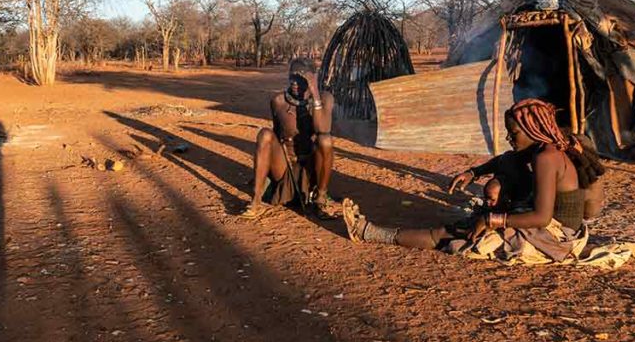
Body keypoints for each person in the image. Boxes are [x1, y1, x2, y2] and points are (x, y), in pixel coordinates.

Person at [343, 98, 606, 263]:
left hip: (556, 236)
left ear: (532, 129)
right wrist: (474, 173)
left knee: (455, 235)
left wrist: (493, 220)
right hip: (556, 224)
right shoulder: (547, 147)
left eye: (513, 132)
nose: (509, 138)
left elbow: (541, 219)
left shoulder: (546, 157)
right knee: (506, 170)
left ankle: (371, 233)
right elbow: (505, 159)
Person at [241, 58, 336, 220]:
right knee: (265, 133)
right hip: (284, 168)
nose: (294, 83)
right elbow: (277, 135)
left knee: (325, 140)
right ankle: (256, 200)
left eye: (300, 79)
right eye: (292, 78)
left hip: (311, 169)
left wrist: (314, 93)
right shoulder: (278, 102)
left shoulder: (325, 98)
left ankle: (320, 198)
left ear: (312, 78)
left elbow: (323, 129)